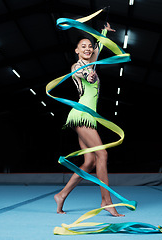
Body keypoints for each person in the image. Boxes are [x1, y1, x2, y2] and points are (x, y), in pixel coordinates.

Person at [54, 23, 124, 217]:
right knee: (103, 155)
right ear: (76, 50)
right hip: (82, 114)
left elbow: (99, 49)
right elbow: (86, 74)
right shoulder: (77, 66)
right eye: (83, 46)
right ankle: (106, 201)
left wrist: (102, 33)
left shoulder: (91, 62)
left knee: (89, 161)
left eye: (89, 46)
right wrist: (90, 76)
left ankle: (61, 195)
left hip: (87, 115)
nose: (87, 48)